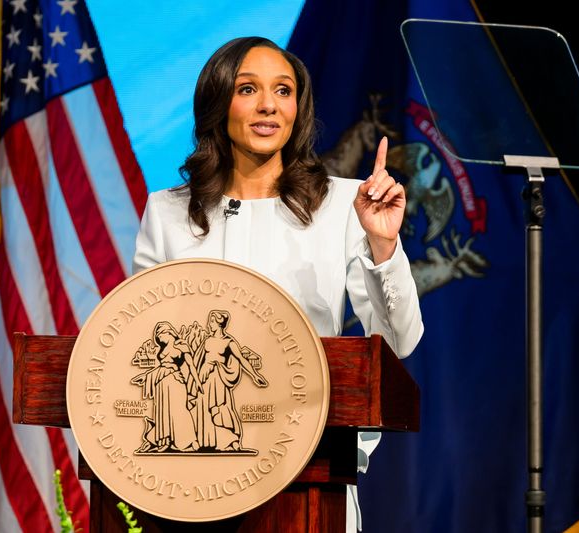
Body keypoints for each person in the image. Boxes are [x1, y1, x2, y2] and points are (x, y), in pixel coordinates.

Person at [133, 36, 423, 532]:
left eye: (284, 91)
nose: (269, 104)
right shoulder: (168, 212)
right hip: (191, 475)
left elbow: (399, 341)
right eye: (248, 89)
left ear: (299, 108)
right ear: (219, 101)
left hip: (306, 470)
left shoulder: (344, 205)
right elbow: (140, 336)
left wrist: (383, 246)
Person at [194, 310, 269, 451]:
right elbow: (196, 360)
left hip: (218, 378)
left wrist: (254, 375)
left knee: (220, 408)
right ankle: (209, 442)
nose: (209, 324)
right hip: (205, 377)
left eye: (212, 322)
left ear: (219, 324)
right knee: (204, 408)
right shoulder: (207, 340)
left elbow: (241, 360)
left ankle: (231, 441)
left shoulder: (229, 342)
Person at [131, 322, 201, 453]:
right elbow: (160, 367)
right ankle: (165, 441)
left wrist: (197, 382)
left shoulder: (182, 346)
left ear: (168, 332)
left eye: (160, 335)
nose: (158, 339)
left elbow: (191, 366)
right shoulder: (162, 349)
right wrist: (146, 376)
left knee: (180, 410)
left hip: (175, 381)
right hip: (162, 383)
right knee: (163, 411)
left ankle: (190, 440)